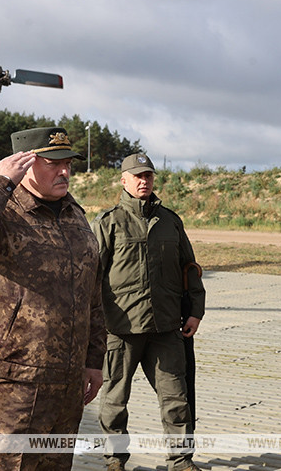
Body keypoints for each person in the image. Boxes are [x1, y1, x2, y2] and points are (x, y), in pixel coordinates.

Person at [0, 127, 106, 471]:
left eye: (68, 163)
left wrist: (93, 359)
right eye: (53, 163)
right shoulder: (0, 210)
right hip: (11, 381)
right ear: (25, 164)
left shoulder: (74, 215)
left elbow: (92, 294)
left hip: (66, 380)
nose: (64, 171)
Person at [91, 153, 206, 471]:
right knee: (114, 400)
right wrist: (91, 324)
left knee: (176, 398)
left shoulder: (170, 221)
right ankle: (115, 459)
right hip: (121, 328)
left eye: (149, 176)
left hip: (166, 327)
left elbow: (190, 269)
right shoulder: (109, 223)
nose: (144, 181)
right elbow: (91, 276)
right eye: (137, 176)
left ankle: (181, 460)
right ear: (124, 180)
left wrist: (195, 310)